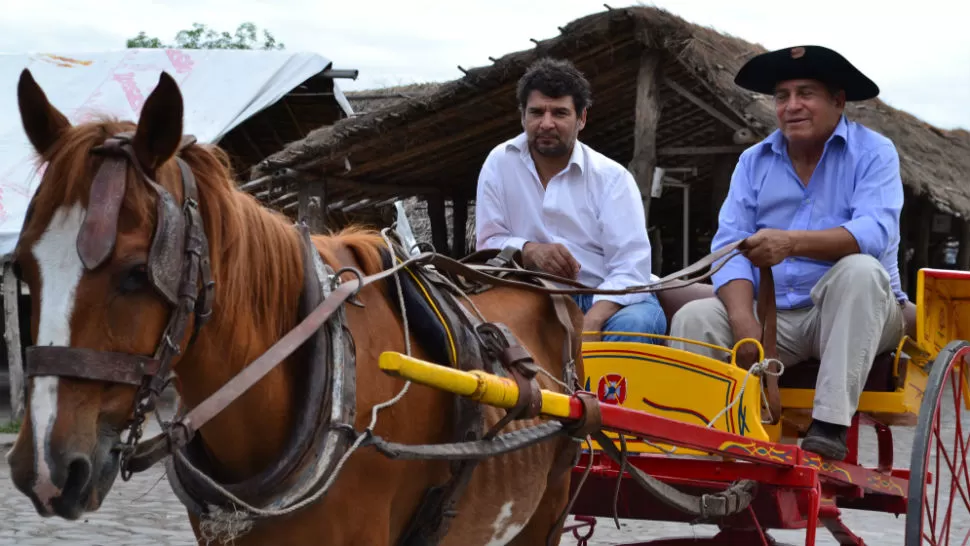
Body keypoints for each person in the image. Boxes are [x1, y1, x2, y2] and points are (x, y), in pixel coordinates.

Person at [668, 45, 907, 460]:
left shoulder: (874, 152)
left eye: (806, 93)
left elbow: (874, 232)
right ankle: (703, 446)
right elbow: (731, 244)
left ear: (838, 101)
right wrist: (745, 324)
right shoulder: (752, 161)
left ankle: (830, 424)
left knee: (861, 271)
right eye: (782, 96)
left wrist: (790, 243)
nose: (792, 106)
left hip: (861, 312)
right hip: (775, 316)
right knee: (695, 317)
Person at [474, 57, 667, 344]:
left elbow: (630, 269)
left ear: (582, 118)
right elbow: (486, 246)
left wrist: (592, 321)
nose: (546, 123)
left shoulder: (611, 178)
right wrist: (528, 251)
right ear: (522, 116)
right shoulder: (499, 163)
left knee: (632, 326)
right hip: (535, 298)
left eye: (560, 113)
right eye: (537, 112)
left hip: (611, 300)